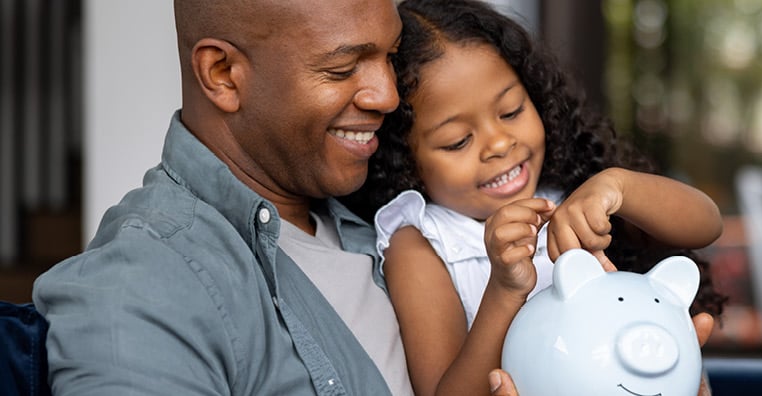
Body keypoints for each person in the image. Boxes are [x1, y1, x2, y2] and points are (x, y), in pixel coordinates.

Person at [32, 0, 423, 394]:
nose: (388, 96)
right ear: (222, 74)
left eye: (391, 56)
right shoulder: (142, 288)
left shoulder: (399, 209)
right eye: (341, 70)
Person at [340, 1, 726, 395]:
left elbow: (706, 224)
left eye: (510, 112)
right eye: (458, 141)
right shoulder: (422, 242)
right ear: (405, 159)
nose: (499, 143)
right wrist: (505, 290)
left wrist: (619, 187)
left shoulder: (575, 195)